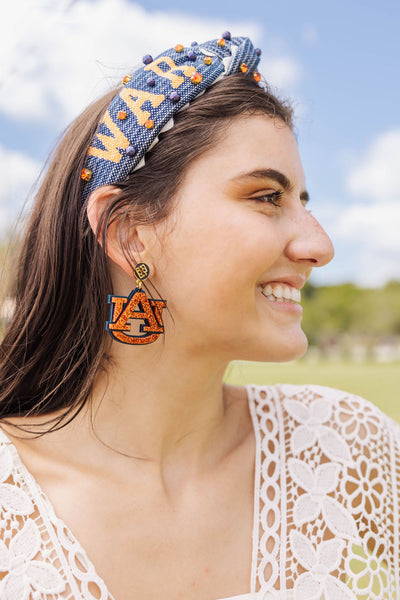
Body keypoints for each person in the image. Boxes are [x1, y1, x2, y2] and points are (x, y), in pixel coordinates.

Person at [0, 33, 398, 600]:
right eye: (266, 197)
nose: (319, 244)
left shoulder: (343, 446)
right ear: (130, 235)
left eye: (305, 203)